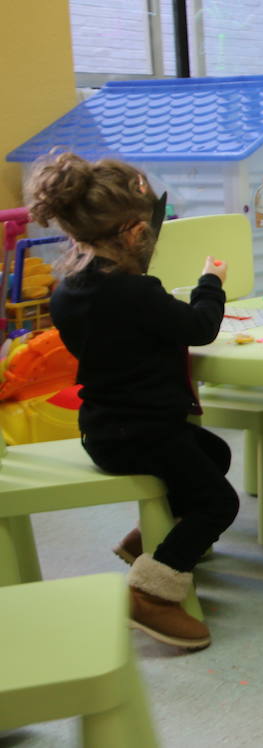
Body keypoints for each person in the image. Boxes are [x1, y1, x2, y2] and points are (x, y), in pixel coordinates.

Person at [32, 153, 237, 651]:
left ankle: (149, 539)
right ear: (131, 233)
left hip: (105, 429)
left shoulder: (67, 293)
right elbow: (198, 327)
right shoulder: (134, 292)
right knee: (219, 502)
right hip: (145, 432)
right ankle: (153, 593)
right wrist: (211, 284)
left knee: (216, 455)